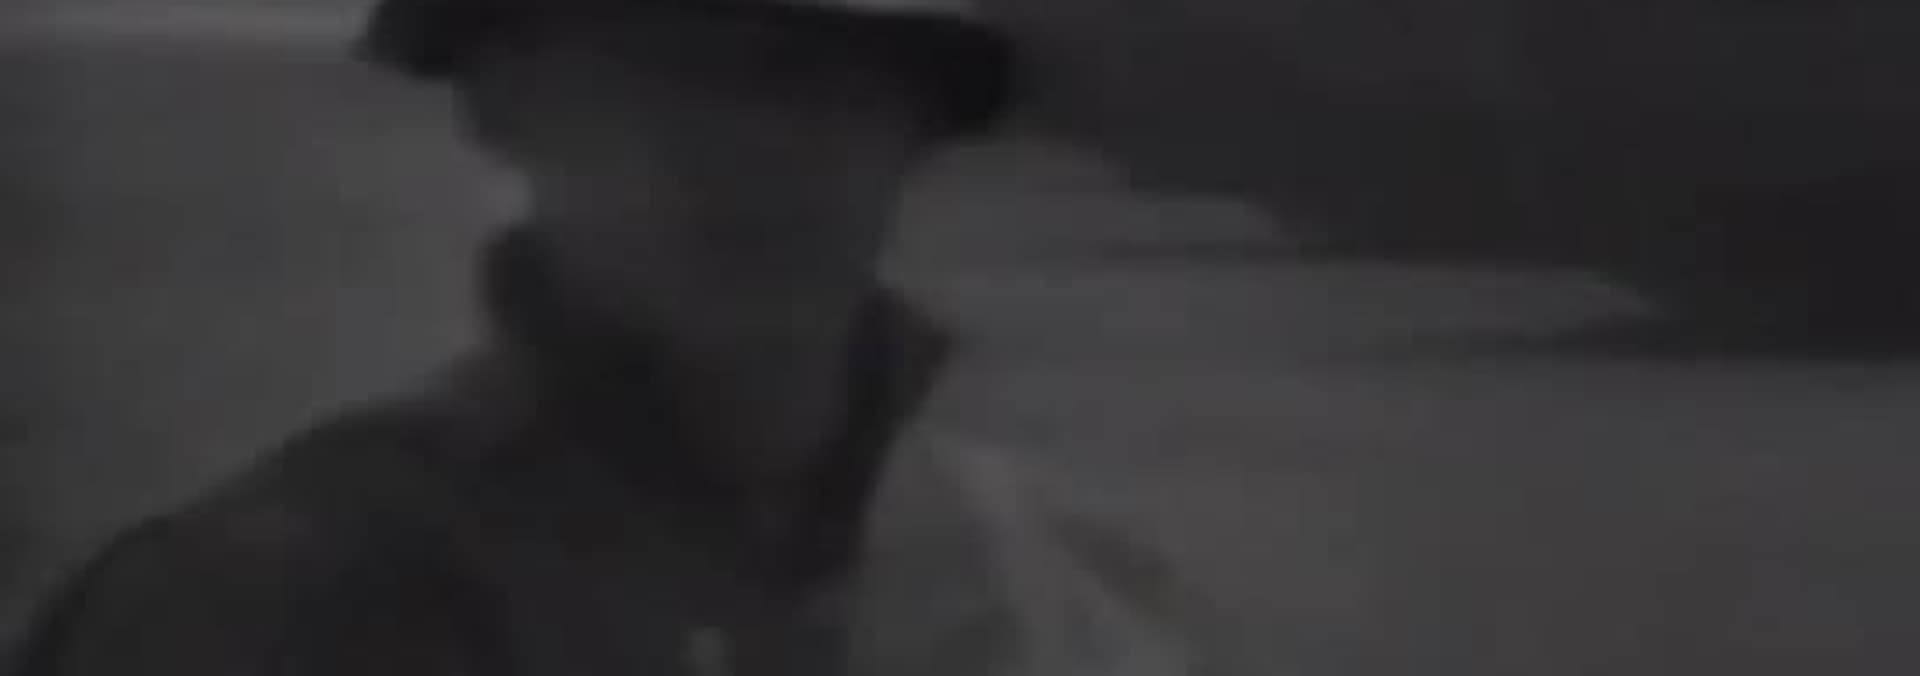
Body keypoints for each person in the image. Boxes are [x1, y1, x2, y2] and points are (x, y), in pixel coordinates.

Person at [8, 0, 1016, 674]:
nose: (748, 147)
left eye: (816, 78)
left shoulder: (1039, 595)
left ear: (918, 124)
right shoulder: (257, 607)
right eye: (665, 69)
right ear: (503, 104)